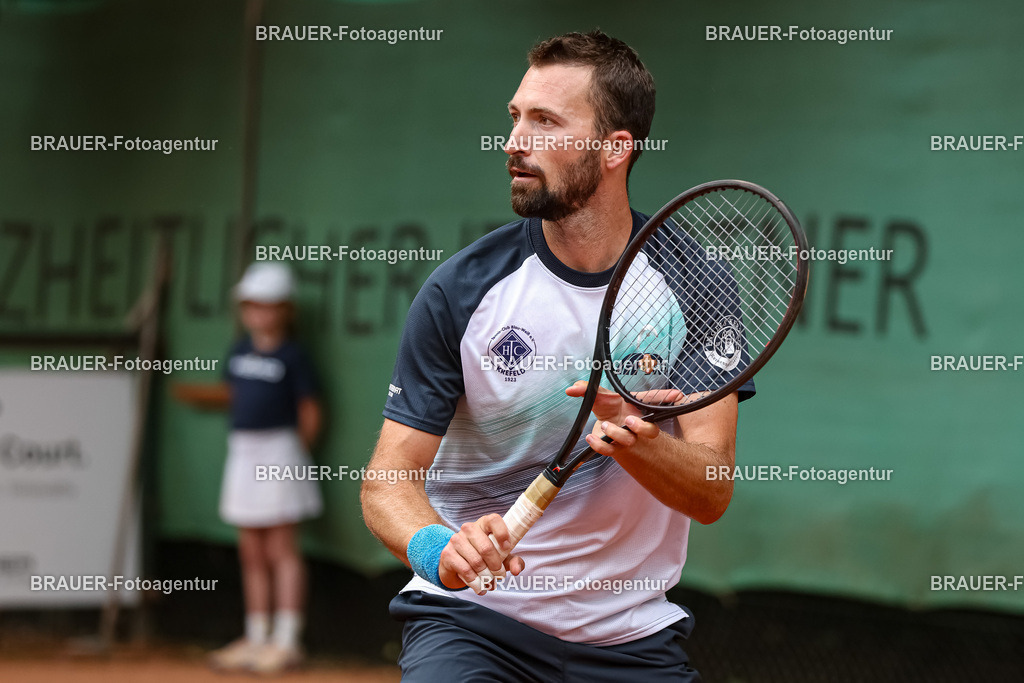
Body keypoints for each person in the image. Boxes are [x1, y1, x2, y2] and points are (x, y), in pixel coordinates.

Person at [361, 30, 754, 681]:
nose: (514, 140)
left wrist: (638, 438)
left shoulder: (695, 282)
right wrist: (441, 549)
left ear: (614, 149)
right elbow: (387, 478)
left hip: (631, 638)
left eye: (545, 121)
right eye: (515, 117)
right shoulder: (461, 292)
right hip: (472, 625)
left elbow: (711, 491)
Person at [174, 262, 323, 675]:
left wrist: (295, 457)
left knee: (281, 550)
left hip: (281, 453)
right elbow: (231, 393)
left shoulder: (295, 355)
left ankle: (287, 640)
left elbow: (310, 411)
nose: (258, 314)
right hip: (243, 454)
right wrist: (188, 391)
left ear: (285, 310)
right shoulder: (238, 350)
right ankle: (256, 637)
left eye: (268, 305)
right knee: (251, 551)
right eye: (251, 305)